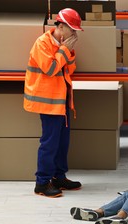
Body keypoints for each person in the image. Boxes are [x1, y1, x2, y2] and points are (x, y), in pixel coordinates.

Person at [24, 8, 84, 198]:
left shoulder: (61, 44)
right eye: (71, 29)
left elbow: (69, 69)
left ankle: (59, 177)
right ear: (60, 26)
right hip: (48, 102)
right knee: (49, 143)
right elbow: (50, 69)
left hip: (62, 101)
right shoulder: (42, 43)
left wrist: (68, 51)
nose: (74, 33)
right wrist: (65, 50)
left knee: (62, 142)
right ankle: (42, 183)